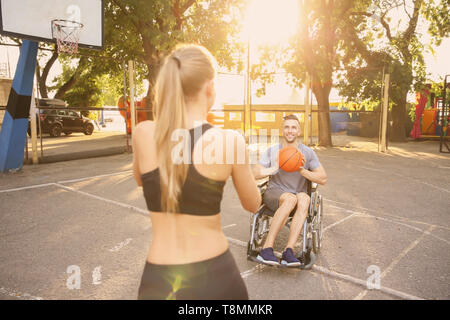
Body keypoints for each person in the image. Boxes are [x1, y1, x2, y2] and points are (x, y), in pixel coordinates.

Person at [132, 44, 261, 300]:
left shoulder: (143, 133)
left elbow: (141, 180)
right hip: (216, 277)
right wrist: (252, 173)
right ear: (209, 87)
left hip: (160, 282)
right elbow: (253, 203)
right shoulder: (230, 141)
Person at [252, 114, 327, 267]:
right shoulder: (273, 151)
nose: (290, 131)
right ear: (282, 130)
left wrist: (303, 171)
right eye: (287, 127)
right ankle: (266, 249)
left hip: (298, 193)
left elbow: (323, 178)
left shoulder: (308, 152)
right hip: (275, 193)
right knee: (290, 199)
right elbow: (255, 173)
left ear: (298, 131)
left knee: (304, 199)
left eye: (293, 127)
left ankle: (289, 251)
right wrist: (275, 167)